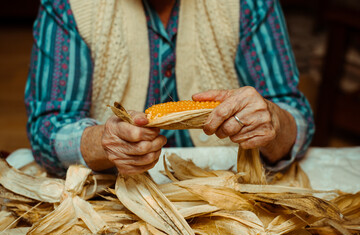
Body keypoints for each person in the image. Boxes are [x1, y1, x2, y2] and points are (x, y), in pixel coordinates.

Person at [25, 0, 314, 177]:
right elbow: (47, 129)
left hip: (229, 189)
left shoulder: (248, 3)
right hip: (118, 194)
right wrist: (102, 142)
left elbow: (297, 118)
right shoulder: (69, 5)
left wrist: (273, 121)